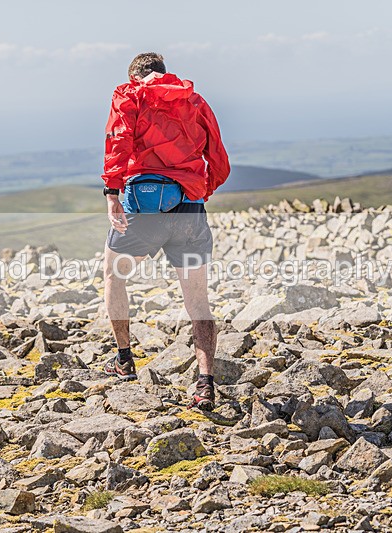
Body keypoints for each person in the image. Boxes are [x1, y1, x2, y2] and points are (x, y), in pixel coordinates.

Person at [99, 52, 230, 410]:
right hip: (189, 207)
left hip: (143, 211)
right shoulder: (194, 99)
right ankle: (205, 384)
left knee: (114, 276)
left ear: (135, 75)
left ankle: (124, 360)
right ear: (163, 73)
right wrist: (201, 192)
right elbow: (218, 157)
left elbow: (118, 143)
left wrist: (112, 194)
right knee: (198, 300)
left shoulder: (129, 95)